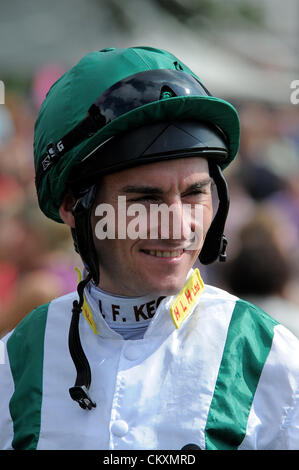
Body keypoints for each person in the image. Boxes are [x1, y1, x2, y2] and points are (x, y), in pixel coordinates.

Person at [0, 46, 299, 451]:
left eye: (195, 193)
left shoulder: (274, 361)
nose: (178, 227)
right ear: (73, 206)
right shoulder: (13, 363)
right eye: (145, 199)